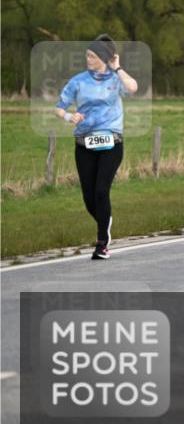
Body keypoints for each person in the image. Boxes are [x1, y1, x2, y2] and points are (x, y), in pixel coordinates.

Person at [55, 35, 139, 260]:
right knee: (89, 197)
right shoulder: (78, 81)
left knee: (102, 190)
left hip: (112, 142)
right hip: (84, 143)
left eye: (92, 56)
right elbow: (59, 108)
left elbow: (133, 87)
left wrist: (118, 67)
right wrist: (70, 117)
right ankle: (106, 221)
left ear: (103, 58)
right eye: (87, 55)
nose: (87, 59)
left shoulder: (115, 79)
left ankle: (102, 242)